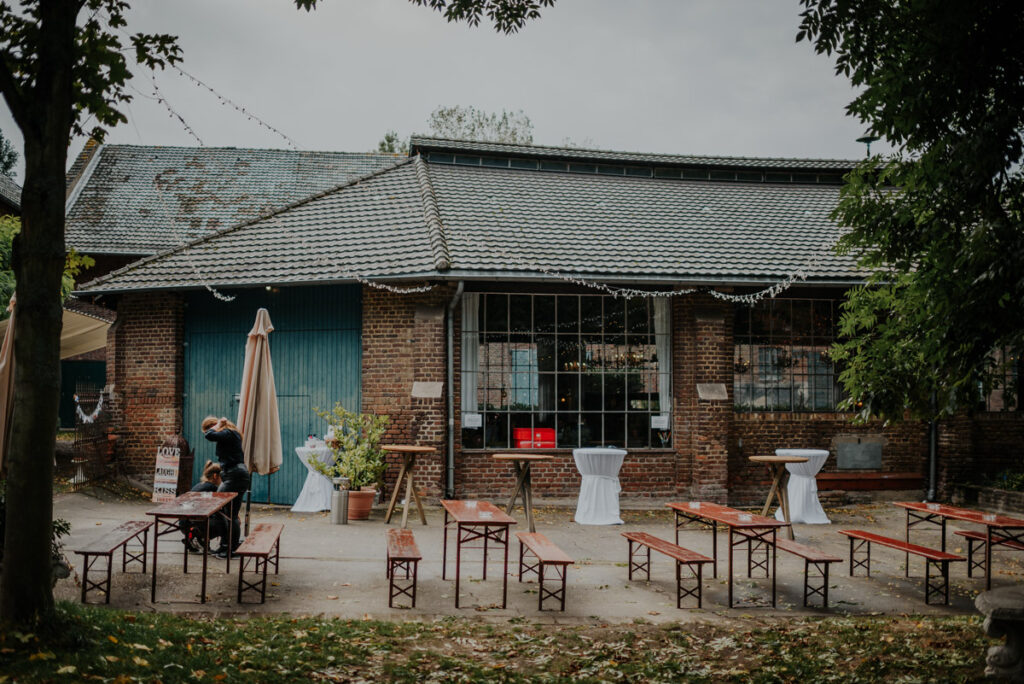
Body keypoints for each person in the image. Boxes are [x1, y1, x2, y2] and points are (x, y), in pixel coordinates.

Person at [202, 415, 250, 559]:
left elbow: (209, 435)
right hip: (234, 474)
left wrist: (218, 424)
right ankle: (226, 546)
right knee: (226, 511)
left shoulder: (228, 432)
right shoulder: (230, 434)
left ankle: (231, 549)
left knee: (227, 512)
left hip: (235, 475)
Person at [180, 460, 224, 553]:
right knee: (224, 523)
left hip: (183, 522)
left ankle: (194, 540)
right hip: (193, 522)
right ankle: (197, 537)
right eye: (221, 476)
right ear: (215, 476)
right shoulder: (213, 488)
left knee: (209, 517)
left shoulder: (200, 485)